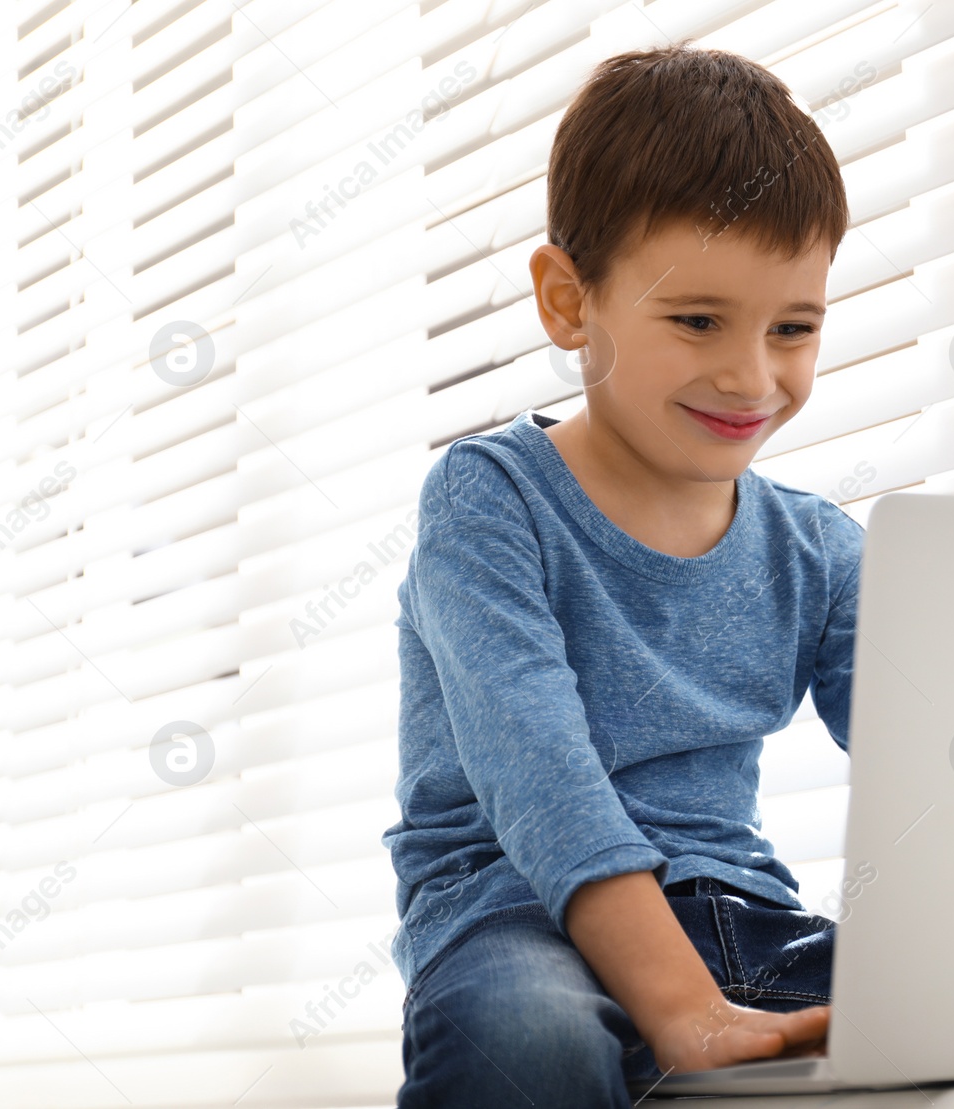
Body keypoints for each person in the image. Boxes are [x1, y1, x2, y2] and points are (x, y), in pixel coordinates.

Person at [382, 38, 862, 1107]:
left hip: (742, 915)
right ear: (568, 300)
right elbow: (540, 775)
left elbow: (943, 753)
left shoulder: (820, 549)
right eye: (697, 319)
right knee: (529, 1039)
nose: (752, 375)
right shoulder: (487, 499)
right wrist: (681, 1008)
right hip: (514, 914)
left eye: (793, 328)